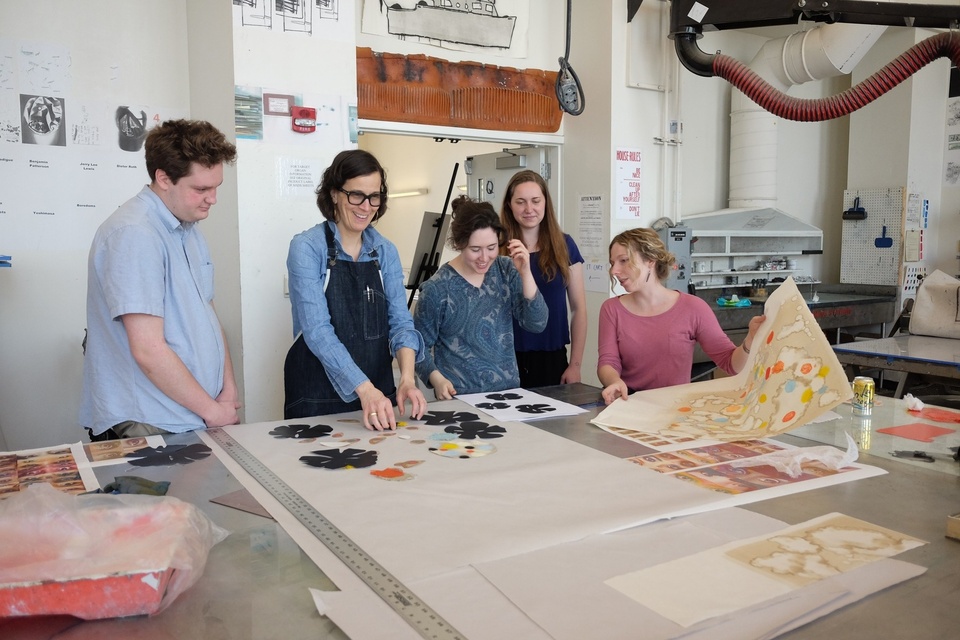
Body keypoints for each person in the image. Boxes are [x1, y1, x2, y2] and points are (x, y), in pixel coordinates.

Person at [80, 119, 241, 440]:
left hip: (196, 412)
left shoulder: (188, 228)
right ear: (164, 178)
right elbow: (148, 349)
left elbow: (209, 318)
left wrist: (227, 392)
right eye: (201, 189)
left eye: (216, 187)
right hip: (150, 419)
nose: (213, 199)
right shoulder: (135, 234)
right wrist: (212, 411)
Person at [284, 149, 426, 430]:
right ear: (335, 193)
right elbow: (317, 331)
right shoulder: (308, 247)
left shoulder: (385, 251)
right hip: (317, 396)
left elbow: (400, 323)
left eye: (374, 197)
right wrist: (364, 389)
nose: (366, 206)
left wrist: (407, 378)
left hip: (377, 396)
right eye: (356, 195)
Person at [598, 227, 765, 405]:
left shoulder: (693, 308)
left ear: (650, 261)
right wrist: (614, 381)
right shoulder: (611, 309)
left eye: (623, 261)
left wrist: (750, 340)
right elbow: (608, 361)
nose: (614, 270)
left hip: (673, 409)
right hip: (627, 405)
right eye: (612, 263)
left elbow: (731, 364)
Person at [414, 196, 548, 399]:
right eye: (475, 250)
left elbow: (537, 323)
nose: (484, 258)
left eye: (492, 248)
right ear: (459, 244)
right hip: (460, 398)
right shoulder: (437, 289)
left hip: (509, 396)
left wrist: (526, 273)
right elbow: (417, 348)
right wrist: (436, 379)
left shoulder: (505, 269)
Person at [500, 170, 586, 387]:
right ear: (510, 205)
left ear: (546, 203)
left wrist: (575, 365)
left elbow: (579, 309)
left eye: (535, 201)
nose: (529, 209)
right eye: (520, 202)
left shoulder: (565, 245)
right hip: (504, 358)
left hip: (552, 358)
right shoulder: (497, 248)